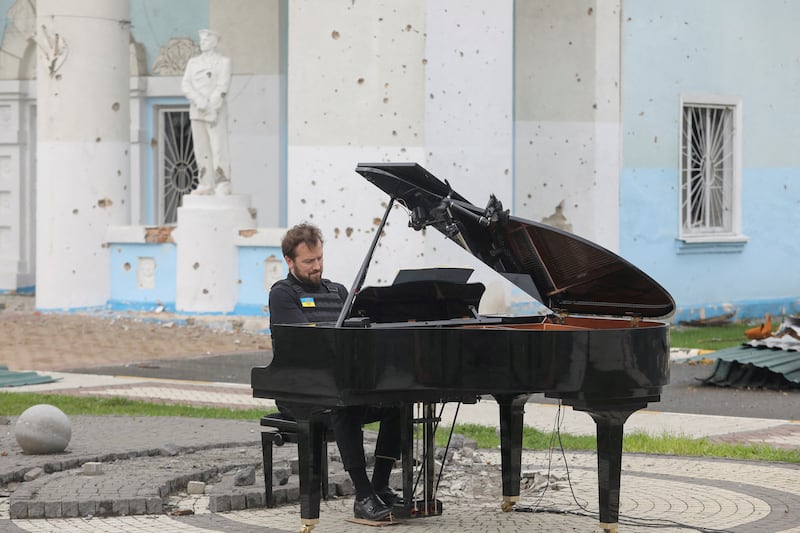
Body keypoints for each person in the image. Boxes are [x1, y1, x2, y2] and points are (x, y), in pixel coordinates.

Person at [268, 223, 403, 522]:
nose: (316, 267)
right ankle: (363, 495)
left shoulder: (338, 291)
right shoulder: (282, 294)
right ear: (289, 262)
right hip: (299, 392)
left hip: (340, 384)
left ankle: (380, 485)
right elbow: (306, 344)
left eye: (319, 259)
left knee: (398, 403)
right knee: (343, 406)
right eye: (308, 261)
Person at [181, 29, 232, 195]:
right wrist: (199, 100)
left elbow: (223, 86)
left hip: (215, 110)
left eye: (206, 40)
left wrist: (211, 105)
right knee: (201, 148)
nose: (202, 42)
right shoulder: (193, 63)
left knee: (218, 147)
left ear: (215, 42)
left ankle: (222, 181)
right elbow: (186, 85)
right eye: (201, 40)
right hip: (197, 109)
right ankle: (205, 182)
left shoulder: (224, 62)